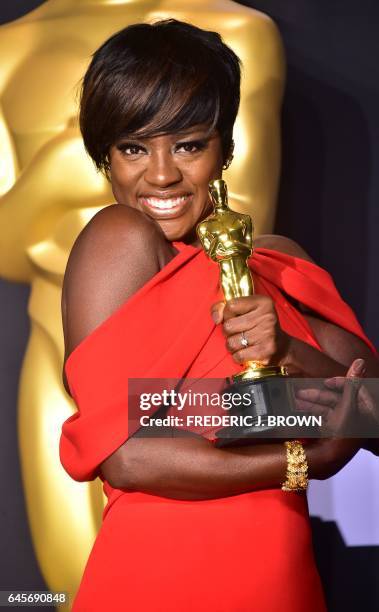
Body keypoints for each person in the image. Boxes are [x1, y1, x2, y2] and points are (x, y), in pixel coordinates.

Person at [60, 19, 378, 611]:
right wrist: (302, 455)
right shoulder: (119, 237)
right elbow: (128, 455)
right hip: (162, 575)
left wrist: (283, 351)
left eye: (187, 144)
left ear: (226, 147)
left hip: (282, 580)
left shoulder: (281, 263)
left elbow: (374, 409)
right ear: (105, 155)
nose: (160, 174)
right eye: (133, 147)